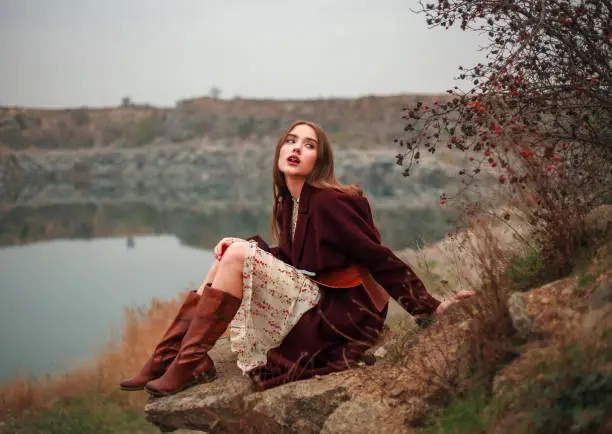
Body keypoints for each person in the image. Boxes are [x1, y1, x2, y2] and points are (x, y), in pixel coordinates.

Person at [119, 120, 475, 396]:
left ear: (319, 159)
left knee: (241, 252)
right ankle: (171, 356)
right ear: (279, 150)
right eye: (291, 140)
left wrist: (429, 306)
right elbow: (294, 260)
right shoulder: (289, 201)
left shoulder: (331, 201)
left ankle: (186, 361)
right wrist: (238, 245)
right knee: (232, 250)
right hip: (316, 295)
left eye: (309, 145)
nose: (297, 148)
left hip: (345, 311)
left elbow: (379, 258)